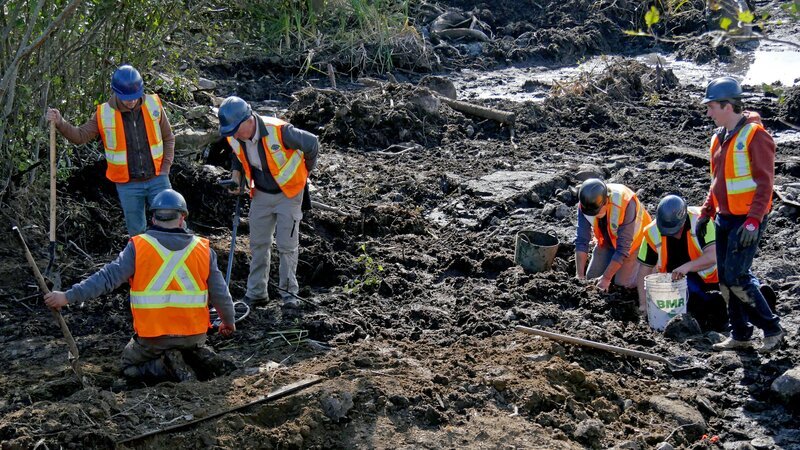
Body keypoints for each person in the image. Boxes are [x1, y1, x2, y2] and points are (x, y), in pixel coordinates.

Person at [44, 189, 236, 382]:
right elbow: (220, 293)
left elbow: (106, 278)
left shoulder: (138, 247)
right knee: (191, 346)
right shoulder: (203, 249)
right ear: (182, 219)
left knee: (128, 367)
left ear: (153, 219)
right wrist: (228, 322)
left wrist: (67, 296)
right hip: (193, 336)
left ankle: (163, 367)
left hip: (153, 339)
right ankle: (198, 356)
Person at [695, 76, 784, 353]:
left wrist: (754, 221)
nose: (708, 113)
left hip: (747, 220)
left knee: (737, 277)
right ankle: (741, 334)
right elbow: (717, 182)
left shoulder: (755, 136)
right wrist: (706, 212)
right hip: (724, 217)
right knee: (724, 279)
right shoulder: (718, 138)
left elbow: (766, 184)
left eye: (711, 107)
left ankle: (772, 329)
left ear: (727, 105)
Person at [46, 64, 175, 236]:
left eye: (135, 97)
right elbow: (80, 136)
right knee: (137, 234)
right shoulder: (103, 114)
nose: (132, 101)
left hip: (158, 178)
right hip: (128, 185)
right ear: (116, 92)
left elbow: (168, 138)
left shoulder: (153, 104)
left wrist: (165, 169)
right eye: (127, 98)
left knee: (171, 226)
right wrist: (60, 122)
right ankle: (141, 254)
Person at [217, 96, 319, 310]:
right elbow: (238, 156)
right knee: (258, 243)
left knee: (286, 246)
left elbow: (312, 143)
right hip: (261, 193)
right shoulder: (235, 136)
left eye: (235, 130)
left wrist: (306, 172)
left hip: (289, 193)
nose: (233, 135)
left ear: (248, 120)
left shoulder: (280, 131)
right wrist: (236, 176)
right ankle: (256, 293)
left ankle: (289, 295)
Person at [636, 195, 727, 331]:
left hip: (715, 278)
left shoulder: (701, 219)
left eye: (676, 229)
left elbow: (713, 255)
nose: (674, 234)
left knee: (733, 290)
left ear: (684, 218)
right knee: (692, 302)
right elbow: (644, 270)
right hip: (680, 284)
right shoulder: (652, 232)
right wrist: (644, 304)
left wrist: (687, 267)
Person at [575, 178, 652, 291]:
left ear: (606, 201)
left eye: (597, 212)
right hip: (609, 240)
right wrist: (579, 276)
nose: (594, 216)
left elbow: (623, 249)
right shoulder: (586, 205)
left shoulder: (625, 202)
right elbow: (581, 241)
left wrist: (606, 278)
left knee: (622, 285)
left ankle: (650, 269)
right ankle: (613, 267)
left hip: (637, 244)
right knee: (591, 277)